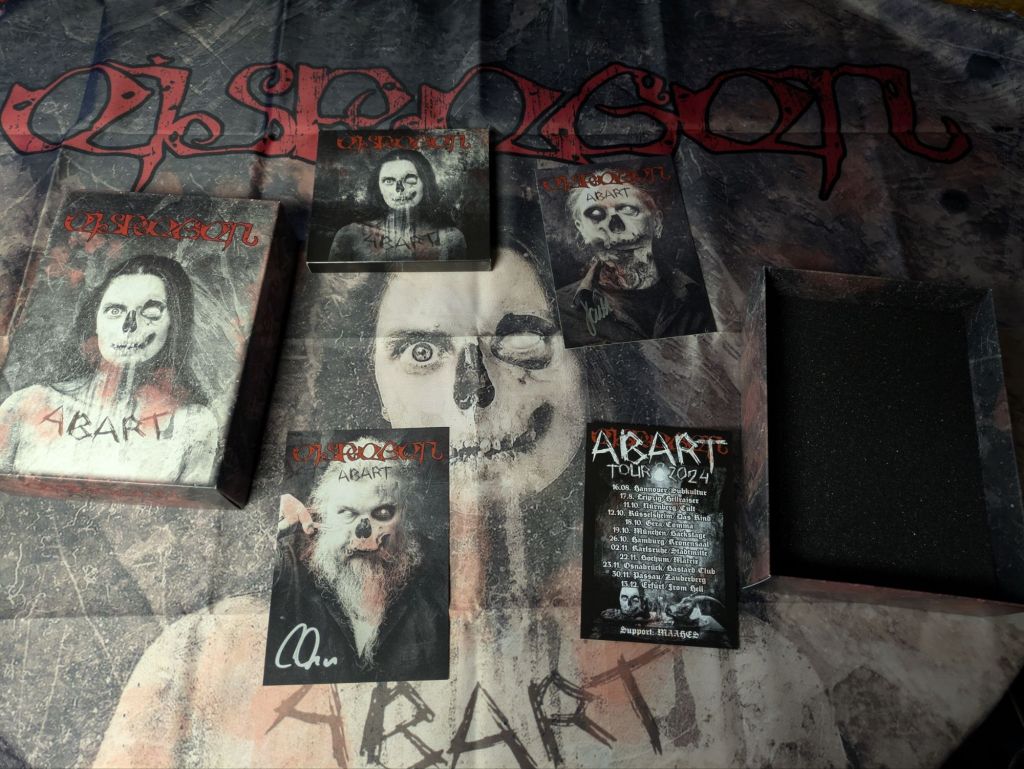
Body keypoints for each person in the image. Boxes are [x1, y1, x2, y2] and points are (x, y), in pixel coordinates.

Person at [0, 254, 218, 484]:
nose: (129, 325)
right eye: (115, 310)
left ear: (174, 324)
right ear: (95, 320)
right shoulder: (25, 405)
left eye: (151, 312)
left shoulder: (194, 424)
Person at [267, 438, 448, 683]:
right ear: (322, 513)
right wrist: (264, 524)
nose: (363, 532)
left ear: (405, 516)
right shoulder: (288, 564)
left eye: (382, 513)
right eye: (347, 513)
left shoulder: (438, 576)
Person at [555, 171, 714, 345]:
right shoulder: (560, 309)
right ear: (582, 230)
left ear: (656, 222)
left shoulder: (703, 297)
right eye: (595, 214)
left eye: (628, 210)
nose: (616, 226)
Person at [329, 149, 466, 263]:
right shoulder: (350, 235)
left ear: (426, 183)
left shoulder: (450, 237)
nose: (399, 188)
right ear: (378, 188)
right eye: (389, 181)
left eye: (410, 179)